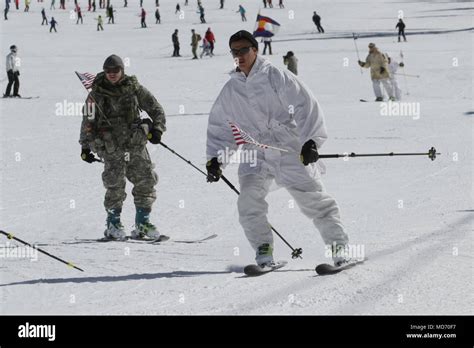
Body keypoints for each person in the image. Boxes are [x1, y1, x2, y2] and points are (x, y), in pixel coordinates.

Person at [206, 30, 351, 268]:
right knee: (248, 203)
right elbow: (221, 127)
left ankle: (340, 248)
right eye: (235, 51)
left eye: (244, 50)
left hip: (288, 147)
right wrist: (215, 160)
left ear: (255, 50)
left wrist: (312, 141)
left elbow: (305, 106)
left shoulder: (277, 77)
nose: (239, 55)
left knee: (314, 200)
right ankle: (264, 251)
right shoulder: (231, 90)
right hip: (256, 153)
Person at [79, 55, 166, 240]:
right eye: (108, 71)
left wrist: (157, 129)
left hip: (135, 145)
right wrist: (85, 147)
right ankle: (113, 224)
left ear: (122, 70)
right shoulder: (96, 94)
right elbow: (87, 121)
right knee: (115, 186)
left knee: (146, 181)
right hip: (111, 148)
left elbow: (156, 108)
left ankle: (142, 224)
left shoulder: (134, 89)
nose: (112, 74)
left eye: (115, 70)